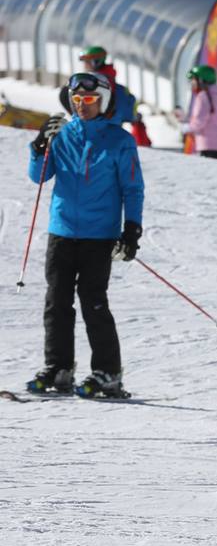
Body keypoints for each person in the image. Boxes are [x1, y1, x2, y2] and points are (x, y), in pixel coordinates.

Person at [26, 72, 144, 398]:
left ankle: (108, 372)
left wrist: (131, 231)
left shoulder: (119, 140)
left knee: (93, 302)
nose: (82, 105)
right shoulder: (61, 135)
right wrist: (39, 145)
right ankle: (58, 367)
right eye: (77, 99)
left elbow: (132, 189)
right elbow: (39, 176)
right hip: (62, 230)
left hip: (99, 234)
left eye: (90, 100)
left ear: (102, 102)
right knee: (56, 301)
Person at [75, 45, 137, 127]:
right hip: (111, 127)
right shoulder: (118, 87)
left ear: (96, 62)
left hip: (100, 126)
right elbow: (130, 114)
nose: (85, 66)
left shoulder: (96, 82)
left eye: (87, 62)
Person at [178, 65, 217, 159]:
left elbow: (200, 121)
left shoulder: (203, 97)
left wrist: (187, 127)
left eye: (193, 80)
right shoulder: (213, 96)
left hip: (209, 145)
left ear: (201, 81)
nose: (192, 83)